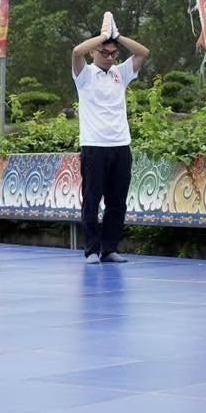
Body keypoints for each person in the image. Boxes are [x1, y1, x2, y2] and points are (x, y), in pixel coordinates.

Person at [70, 14, 149, 264]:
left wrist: (117, 36)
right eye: (104, 52)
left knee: (117, 201)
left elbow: (143, 53)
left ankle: (109, 248)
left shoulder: (120, 73)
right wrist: (104, 36)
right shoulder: (85, 74)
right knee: (92, 200)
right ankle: (92, 249)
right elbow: (76, 52)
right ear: (94, 51)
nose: (110, 57)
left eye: (114, 53)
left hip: (120, 145)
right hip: (94, 145)